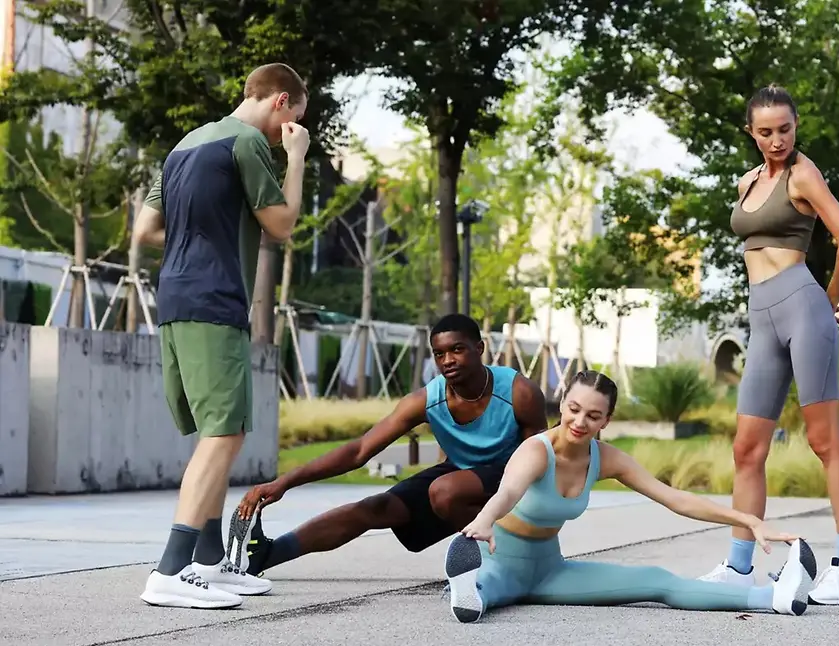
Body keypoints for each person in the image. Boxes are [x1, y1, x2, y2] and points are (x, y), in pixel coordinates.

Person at [131, 63, 311, 609]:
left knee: (214, 428)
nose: (289, 129)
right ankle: (170, 568)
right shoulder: (248, 142)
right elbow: (281, 224)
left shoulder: (185, 145)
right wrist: (296, 158)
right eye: (294, 118)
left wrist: (202, 233)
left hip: (177, 297)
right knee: (225, 434)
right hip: (216, 300)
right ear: (281, 102)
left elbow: (146, 230)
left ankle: (209, 562)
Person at [444, 370, 817, 624]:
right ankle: (469, 591)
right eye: (573, 410)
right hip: (501, 563)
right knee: (486, 590)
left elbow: (674, 498)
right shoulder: (536, 451)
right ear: (561, 404)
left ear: (606, 420)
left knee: (657, 581)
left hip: (550, 571)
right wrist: (483, 521)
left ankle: (775, 599)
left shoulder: (606, 458)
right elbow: (508, 490)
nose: (579, 422)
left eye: (593, 415)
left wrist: (748, 521)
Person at [697, 84, 839, 605]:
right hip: (762, 317)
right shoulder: (748, 181)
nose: (777, 140)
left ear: (796, 126)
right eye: (766, 131)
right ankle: (738, 564)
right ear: (751, 133)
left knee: (825, 441)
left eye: (786, 129)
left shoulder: (803, 173)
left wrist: (829, 300)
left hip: (802, 304)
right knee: (747, 449)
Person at [229, 313, 549, 578]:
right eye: (439, 353)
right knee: (376, 507)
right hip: (461, 475)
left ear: (479, 348)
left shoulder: (519, 392)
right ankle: (266, 556)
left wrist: (534, 520)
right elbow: (359, 451)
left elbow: (542, 460)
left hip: (511, 479)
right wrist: (284, 482)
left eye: (458, 349)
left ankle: (506, 556)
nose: (448, 360)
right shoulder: (427, 400)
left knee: (445, 491)